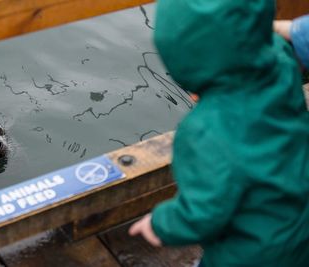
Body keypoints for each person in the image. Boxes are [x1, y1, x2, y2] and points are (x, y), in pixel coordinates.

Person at [129, 1, 309, 267]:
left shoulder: (206, 129)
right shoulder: (282, 65)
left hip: (250, 254)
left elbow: (204, 212)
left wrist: (161, 224)